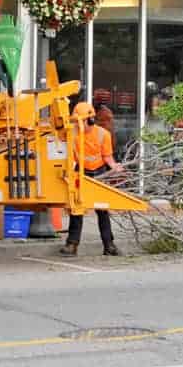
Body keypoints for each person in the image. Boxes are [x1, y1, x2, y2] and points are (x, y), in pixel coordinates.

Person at [60, 102, 125, 257]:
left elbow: (107, 156)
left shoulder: (103, 135)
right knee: (77, 209)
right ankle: (72, 244)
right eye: (77, 121)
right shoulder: (73, 134)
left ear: (90, 120)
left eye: (81, 121)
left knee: (102, 210)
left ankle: (109, 245)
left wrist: (114, 167)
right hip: (80, 173)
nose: (78, 124)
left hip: (98, 172)